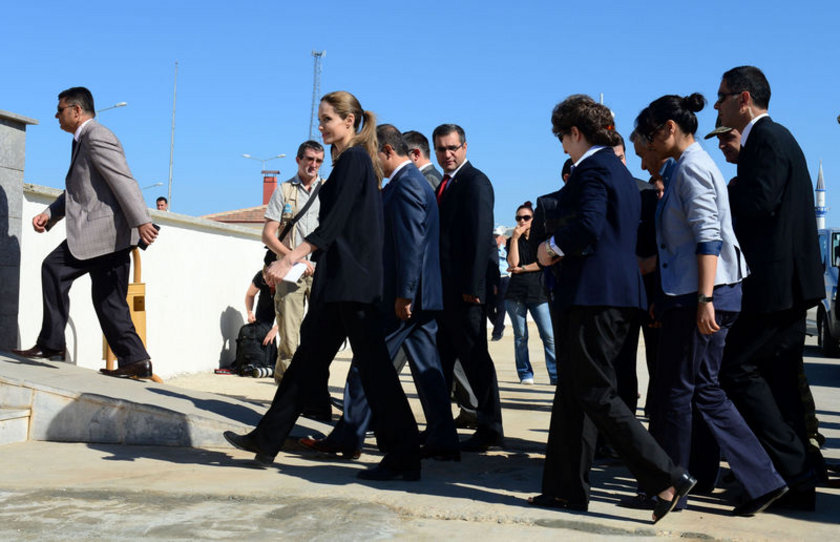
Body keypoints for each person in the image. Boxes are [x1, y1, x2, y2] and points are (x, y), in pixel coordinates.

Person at [223, 91, 421, 481]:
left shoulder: (355, 160)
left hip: (353, 285)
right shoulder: (352, 161)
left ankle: (404, 456)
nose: (321, 126)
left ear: (349, 121)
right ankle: (267, 438)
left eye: (327, 119)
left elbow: (333, 225)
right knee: (306, 363)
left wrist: (290, 258)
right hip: (339, 283)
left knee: (376, 372)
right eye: (320, 119)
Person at [530, 94, 694, 523]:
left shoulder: (593, 169)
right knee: (574, 393)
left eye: (562, 137)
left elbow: (589, 224)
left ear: (576, 133)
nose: (562, 146)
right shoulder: (617, 170)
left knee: (595, 392)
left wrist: (549, 248)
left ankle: (667, 477)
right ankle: (565, 490)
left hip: (595, 295)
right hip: (609, 294)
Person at [635, 93, 788, 515]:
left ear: (669, 128)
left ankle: (672, 487)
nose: (648, 144)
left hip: (704, 295)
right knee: (703, 389)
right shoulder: (687, 165)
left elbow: (708, 238)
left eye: (650, 135)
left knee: (679, 392)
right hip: (700, 294)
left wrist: (704, 299)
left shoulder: (692, 168)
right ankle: (763, 481)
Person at [300, 124, 459, 461]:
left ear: (387, 151)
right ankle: (444, 438)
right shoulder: (409, 182)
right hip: (420, 297)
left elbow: (411, 244)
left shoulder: (406, 184)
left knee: (367, 363)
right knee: (427, 371)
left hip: (405, 297)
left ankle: (349, 436)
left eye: (374, 155)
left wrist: (404, 294)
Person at [715, 66, 825, 509]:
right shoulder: (772, 139)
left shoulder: (766, 138)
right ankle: (800, 480)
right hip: (785, 285)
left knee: (736, 370)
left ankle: (791, 470)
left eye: (722, 96)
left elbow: (760, 202)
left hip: (775, 286)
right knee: (779, 379)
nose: (718, 104)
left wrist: (725, 193)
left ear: (743, 99)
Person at [12, 87, 158, 379]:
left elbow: (123, 179)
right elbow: (79, 192)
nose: (56, 116)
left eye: (60, 110)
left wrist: (142, 220)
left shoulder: (97, 136)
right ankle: (136, 360)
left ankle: (52, 344)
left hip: (105, 235)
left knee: (56, 270)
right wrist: (50, 214)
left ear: (77, 111)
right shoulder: (83, 140)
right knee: (108, 301)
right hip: (101, 237)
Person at [433, 123, 504, 452]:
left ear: (464, 147)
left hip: (466, 293)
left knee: (476, 361)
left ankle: (490, 427)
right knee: (441, 362)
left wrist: (474, 287)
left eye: (452, 148)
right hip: (444, 293)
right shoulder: (445, 184)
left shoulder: (475, 182)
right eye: (441, 149)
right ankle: (440, 428)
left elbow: (480, 237)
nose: (447, 154)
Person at [262, 140, 325, 384]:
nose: (314, 165)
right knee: (289, 338)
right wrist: (293, 257)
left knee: (320, 337)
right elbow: (268, 235)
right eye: (309, 159)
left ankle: (313, 390)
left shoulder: (327, 190)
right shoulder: (285, 190)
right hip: (290, 272)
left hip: (320, 271)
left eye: (318, 161)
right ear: (298, 160)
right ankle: (285, 392)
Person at [504, 202, 557, 385]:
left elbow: (544, 262)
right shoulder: (512, 241)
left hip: (539, 292)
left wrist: (523, 268)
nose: (522, 221)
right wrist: (515, 239)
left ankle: (555, 374)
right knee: (520, 337)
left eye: (526, 217)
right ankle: (525, 374)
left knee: (548, 335)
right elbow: (513, 263)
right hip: (515, 294)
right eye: (518, 218)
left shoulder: (540, 240)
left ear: (533, 219)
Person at [490, 225, 510, 341]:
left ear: (501, 237)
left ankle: (497, 333)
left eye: (497, 236)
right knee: (489, 308)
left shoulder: (506, 250)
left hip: (504, 279)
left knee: (501, 307)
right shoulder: (488, 251)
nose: (495, 238)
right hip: (492, 280)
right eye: (493, 236)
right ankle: (499, 326)